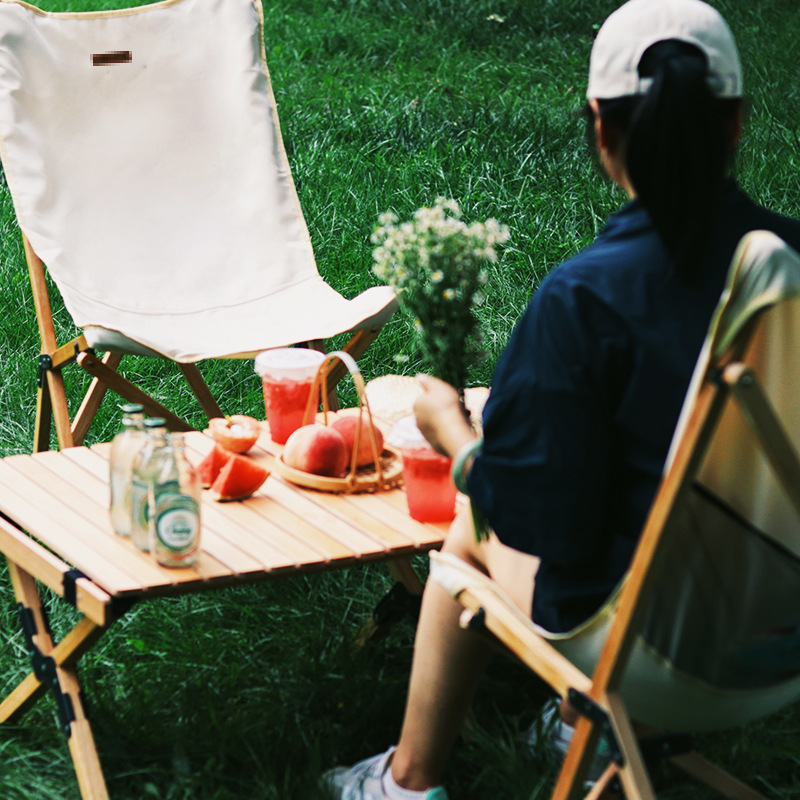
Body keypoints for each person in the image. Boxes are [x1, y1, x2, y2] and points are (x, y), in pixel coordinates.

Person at [324, 0, 800, 797]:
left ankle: (407, 780)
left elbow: (538, 517)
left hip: (654, 658)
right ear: (738, 123)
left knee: (473, 526)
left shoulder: (585, 300)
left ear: (602, 129)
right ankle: (587, 727)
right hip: (783, 643)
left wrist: (458, 438)